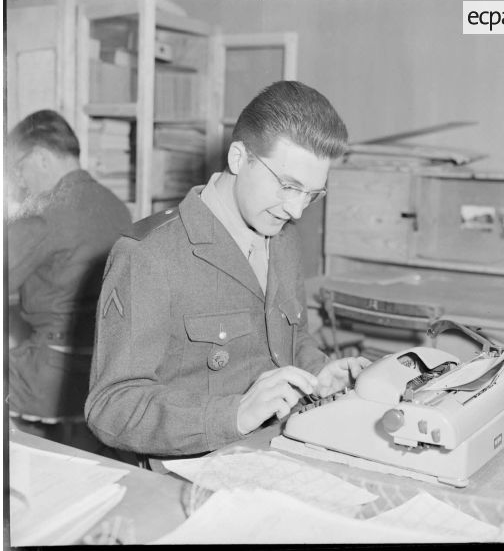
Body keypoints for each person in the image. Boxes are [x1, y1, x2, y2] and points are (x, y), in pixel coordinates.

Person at [85, 81, 370, 459]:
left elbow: (290, 337)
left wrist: (318, 374)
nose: (297, 210)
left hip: (274, 452)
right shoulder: (149, 255)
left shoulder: (282, 239)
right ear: (239, 158)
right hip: (183, 472)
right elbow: (112, 406)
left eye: (312, 194)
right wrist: (234, 414)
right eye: (288, 186)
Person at [7, 109, 133, 450]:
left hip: (50, 375)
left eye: (19, 168)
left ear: (41, 157)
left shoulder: (43, 213)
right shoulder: (117, 206)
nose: (20, 181)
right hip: (103, 371)